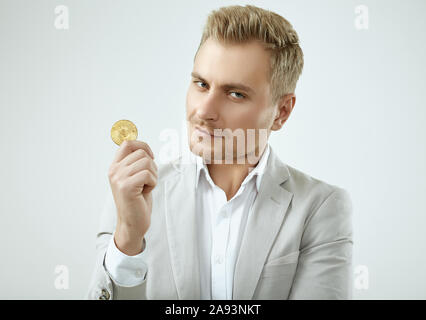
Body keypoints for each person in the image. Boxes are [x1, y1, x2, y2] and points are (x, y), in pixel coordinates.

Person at [86, 4, 353, 300]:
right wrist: (129, 237)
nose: (204, 111)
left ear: (282, 112)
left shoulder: (320, 208)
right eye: (201, 84)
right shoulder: (133, 193)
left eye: (235, 94)